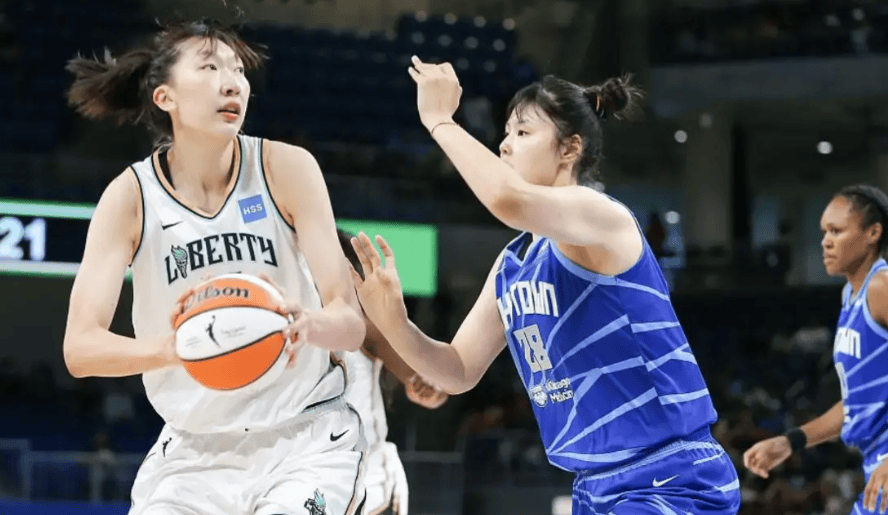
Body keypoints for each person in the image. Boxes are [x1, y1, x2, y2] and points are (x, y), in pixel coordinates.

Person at [348, 57, 741, 514]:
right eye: (506, 133)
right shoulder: (511, 264)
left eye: (522, 132)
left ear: (569, 149)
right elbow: (456, 370)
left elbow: (506, 199)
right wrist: (395, 323)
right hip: (593, 485)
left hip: (669, 474)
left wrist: (440, 120)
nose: (504, 145)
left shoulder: (601, 217)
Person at [62, 19, 367, 515]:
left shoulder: (287, 169)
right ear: (165, 97)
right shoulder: (130, 198)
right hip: (194, 453)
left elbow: (351, 324)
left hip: (306, 438)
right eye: (209, 68)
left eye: (238, 70)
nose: (232, 83)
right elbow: (80, 348)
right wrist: (172, 349)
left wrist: (309, 323)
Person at [744, 185, 888, 514]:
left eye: (837, 231)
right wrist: (790, 441)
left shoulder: (881, 287)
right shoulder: (851, 297)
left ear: (873, 233)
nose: (825, 241)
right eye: (824, 231)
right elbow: (857, 403)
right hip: (875, 471)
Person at [337, 229, 449, 515]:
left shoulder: (365, 328)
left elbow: (421, 378)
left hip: (365, 481)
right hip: (298, 474)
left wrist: (428, 385)